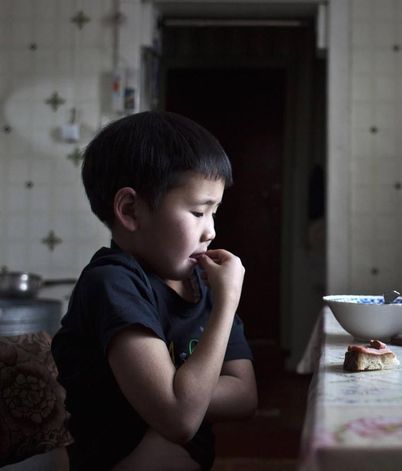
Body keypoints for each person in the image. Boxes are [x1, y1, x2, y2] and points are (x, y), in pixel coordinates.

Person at [51, 111, 257, 470]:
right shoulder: (113, 283)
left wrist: (178, 392)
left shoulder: (205, 285)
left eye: (214, 212)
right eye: (197, 212)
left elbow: (244, 395)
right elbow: (179, 419)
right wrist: (227, 306)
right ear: (130, 210)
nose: (210, 231)